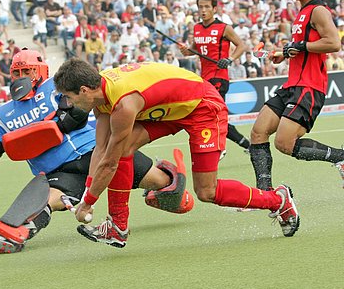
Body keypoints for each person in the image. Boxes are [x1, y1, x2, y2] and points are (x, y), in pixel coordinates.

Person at [0, 49, 193, 254]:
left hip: (94, 154)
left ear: (40, 71)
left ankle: (170, 185)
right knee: (47, 197)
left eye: (28, 71)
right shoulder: (2, 115)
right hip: (58, 171)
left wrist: (43, 129)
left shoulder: (55, 88)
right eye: (17, 72)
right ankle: (13, 231)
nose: (23, 77)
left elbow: (76, 114)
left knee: (164, 187)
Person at [54, 59, 301, 247]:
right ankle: (118, 227)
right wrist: (88, 193)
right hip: (172, 108)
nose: (68, 103)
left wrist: (88, 203)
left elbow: (108, 164)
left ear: (85, 90)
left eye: (68, 97)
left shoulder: (124, 103)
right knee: (123, 148)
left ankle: (278, 200)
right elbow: (101, 149)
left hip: (203, 107)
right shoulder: (102, 97)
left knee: (207, 191)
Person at [249, 0, 344, 191]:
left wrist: (301, 47)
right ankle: (265, 194)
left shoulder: (318, 10)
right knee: (258, 131)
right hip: (292, 85)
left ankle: (340, 156)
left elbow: (333, 43)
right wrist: (284, 53)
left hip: (309, 87)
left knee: (284, 143)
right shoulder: (302, 12)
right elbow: (303, 47)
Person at [179, 0, 251, 157]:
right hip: (204, 79)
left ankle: (220, 147)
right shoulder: (197, 28)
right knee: (215, 116)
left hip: (219, 77)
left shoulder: (224, 28)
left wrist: (230, 59)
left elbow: (242, 46)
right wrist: (186, 51)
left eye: (206, 7)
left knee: (213, 114)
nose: (203, 10)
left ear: (214, 8)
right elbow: (195, 49)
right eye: (200, 7)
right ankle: (248, 145)